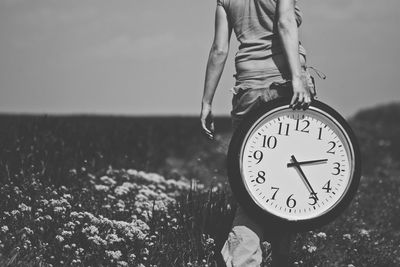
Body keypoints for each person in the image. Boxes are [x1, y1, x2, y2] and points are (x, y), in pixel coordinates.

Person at [200, 0, 316, 266]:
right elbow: (285, 22)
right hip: (286, 88)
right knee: (291, 179)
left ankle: (244, 260)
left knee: (250, 184)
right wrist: (298, 78)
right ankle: (282, 257)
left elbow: (219, 49)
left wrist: (207, 101)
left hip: (247, 90)